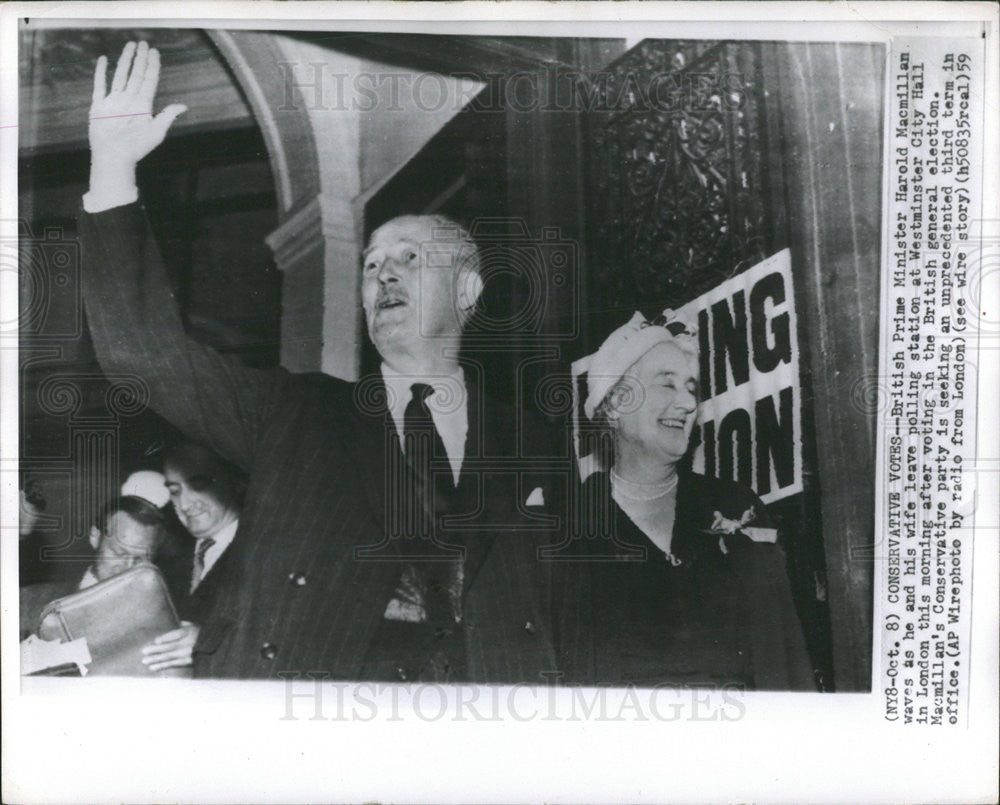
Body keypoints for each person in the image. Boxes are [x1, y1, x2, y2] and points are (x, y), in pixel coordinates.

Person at [79, 41, 562, 681]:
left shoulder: (533, 438)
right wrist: (112, 168)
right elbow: (142, 355)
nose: (383, 272)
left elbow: (557, 613)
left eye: (410, 258)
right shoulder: (299, 415)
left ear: (469, 292)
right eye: (370, 266)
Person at [555, 310, 815, 690]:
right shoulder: (568, 532)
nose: (688, 404)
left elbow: (788, 663)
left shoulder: (732, 504)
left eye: (692, 388)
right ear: (615, 405)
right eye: (667, 385)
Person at [139, 443, 246, 674]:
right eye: (175, 491)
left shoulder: (265, 555)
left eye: (198, 484)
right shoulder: (164, 567)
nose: (185, 505)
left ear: (236, 482)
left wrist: (207, 639)